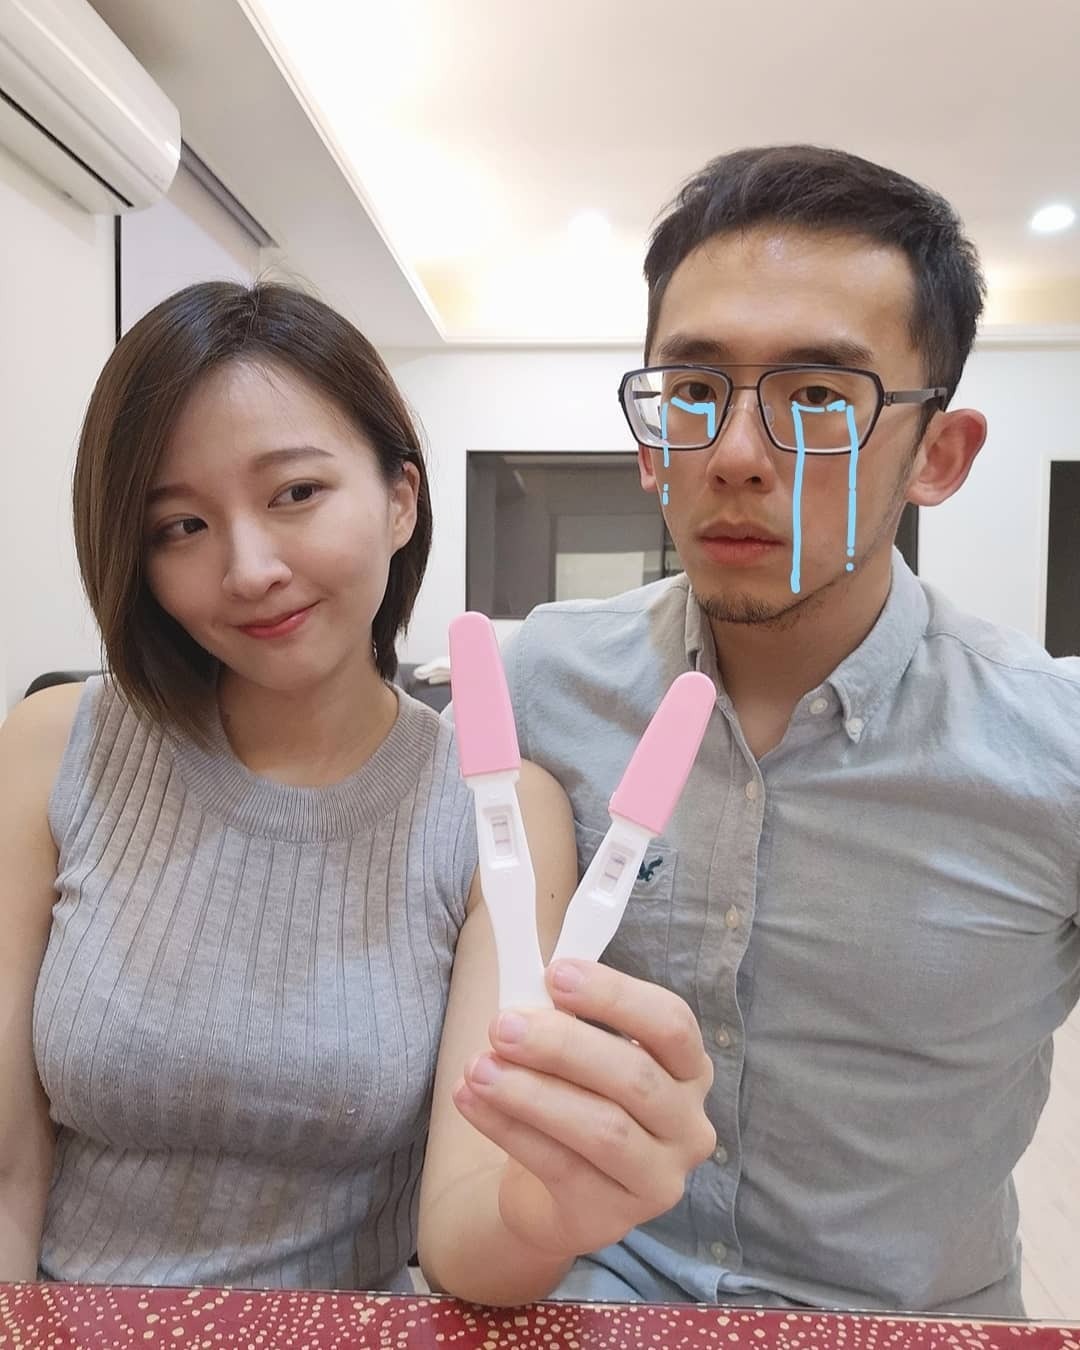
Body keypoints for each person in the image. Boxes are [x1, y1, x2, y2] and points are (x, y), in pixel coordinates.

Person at [0, 281, 714, 1295]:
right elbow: (6, 1167)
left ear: (399, 500)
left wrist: (550, 1208)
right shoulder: (52, 746)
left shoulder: (500, 814)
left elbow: (467, 1239)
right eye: (181, 526)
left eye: (295, 493)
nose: (249, 568)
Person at [484, 146, 1080, 1317]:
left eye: (818, 399)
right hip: (592, 1305)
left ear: (939, 455)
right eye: (693, 393)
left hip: (910, 1329)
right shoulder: (544, 684)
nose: (737, 458)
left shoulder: (1052, 748)